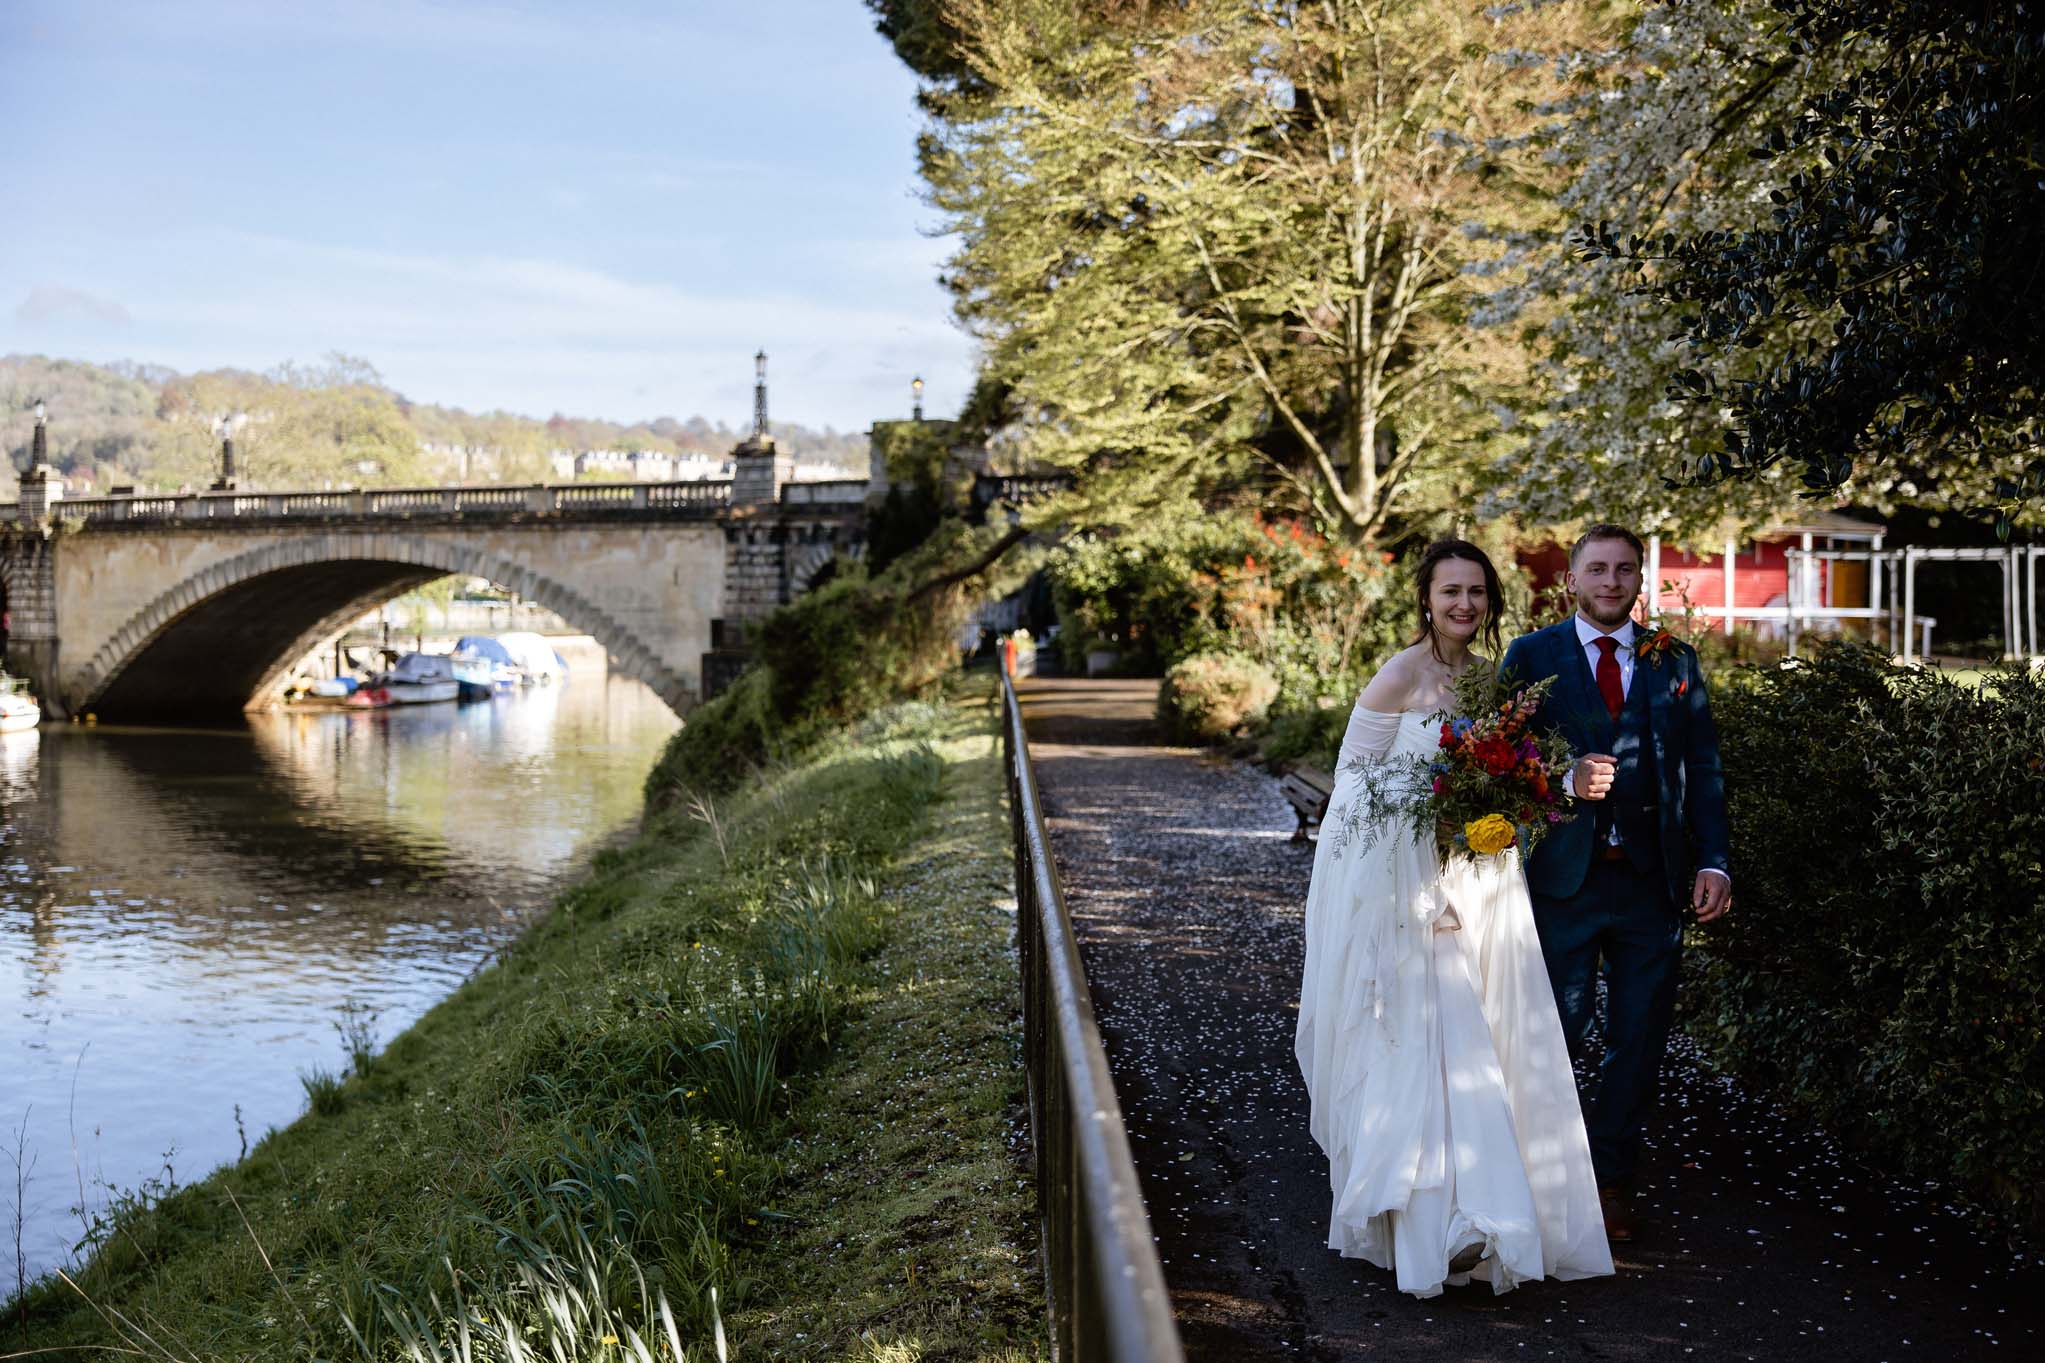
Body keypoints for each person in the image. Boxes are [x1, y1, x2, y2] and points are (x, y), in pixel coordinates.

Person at [1296, 539, 1613, 1298]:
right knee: (1433, 1036)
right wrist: (1417, 837)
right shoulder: (1400, 672)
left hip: (1480, 872)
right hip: (1410, 883)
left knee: (1491, 1038)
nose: (1463, 605)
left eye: (1475, 591)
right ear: (1426, 598)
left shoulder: (1486, 680)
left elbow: (1514, 777)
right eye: (1450, 592)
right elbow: (1351, 778)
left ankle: (1488, 1209)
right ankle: (1435, 1223)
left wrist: (1504, 807)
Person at [1499, 524, 1730, 1244]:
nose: (1609, 581)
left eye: (1623, 569)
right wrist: (1560, 780)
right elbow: (1499, 763)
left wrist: (1713, 859)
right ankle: (1538, 1179)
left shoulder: (1674, 661)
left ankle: (1607, 1181)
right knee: (1553, 1033)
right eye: (1595, 569)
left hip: (1650, 886)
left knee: (1637, 1039)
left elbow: (1704, 769)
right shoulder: (1529, 656)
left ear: (1639, 578)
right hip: (1560, 880)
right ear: (1570, 580)